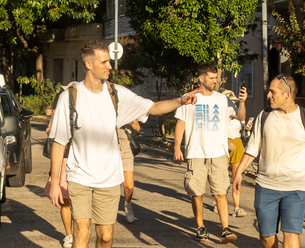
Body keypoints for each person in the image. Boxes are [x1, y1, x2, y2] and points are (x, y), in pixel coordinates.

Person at [48, 40, 199, 248]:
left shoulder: (116, 94)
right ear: (89, 64)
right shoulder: (70, 97)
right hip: (79, 176)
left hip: (110, 178)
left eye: (109, 62)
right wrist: (55, 183)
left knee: (106, 236)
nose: (110, 66)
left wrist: (180, 101)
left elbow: (153, 107)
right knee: (81, 232)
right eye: (105, 62)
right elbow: (58, 142)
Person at [232, 74, 305, 248]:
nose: (268, 95)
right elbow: (252, 149)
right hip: (266, 184)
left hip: (297, 186)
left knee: (291, 233)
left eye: (272, 92)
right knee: (266, 235)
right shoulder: (264, 116)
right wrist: (239, 172)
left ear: (287, 94)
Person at [173, 63, 246, 244]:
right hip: (196, 152)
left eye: (217, 78)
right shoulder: (188, 98)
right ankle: (200, 227)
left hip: (219, 153)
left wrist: (243, 102)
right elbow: (180, 124)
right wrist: (176, 148)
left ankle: (225, 229)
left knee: (221, 192)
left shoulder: (223, 99)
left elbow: (241, 117)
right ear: (201, 78)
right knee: (196, 192)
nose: (216, 81)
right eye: (212, 78)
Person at [45, 117, 73, 248]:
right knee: (65, 201)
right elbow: (50, 131)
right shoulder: (61, 109)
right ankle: (69, 235)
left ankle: (80, 233)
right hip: (64, 159)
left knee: (83, 201)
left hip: (86, 161)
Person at [223, 90, 247, 218]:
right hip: (223, 144)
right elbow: (215, 131)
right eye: (231, 100)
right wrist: (225, 141)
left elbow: (243, 131)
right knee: (221, 177)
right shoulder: (220, 113)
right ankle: (219, 202)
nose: (233, 102)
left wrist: (247, 129)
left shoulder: (238, 112)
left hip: (237, 144)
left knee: (236, 177)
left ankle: (237, 207)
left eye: (235, 101)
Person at [118, 120, 141, 223]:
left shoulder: (127, 106)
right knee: (110, 186)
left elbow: (137, 127)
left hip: (125, 148)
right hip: (109, 146)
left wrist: (128, 121)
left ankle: (128, 204)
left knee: (129, 186)